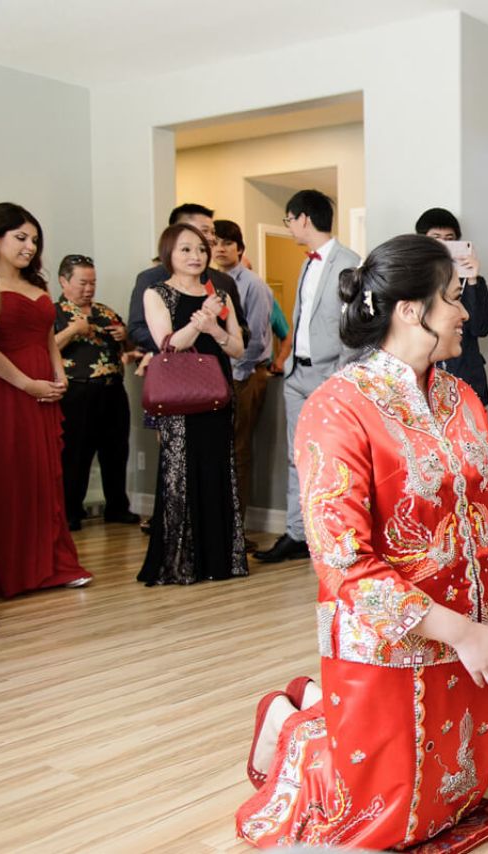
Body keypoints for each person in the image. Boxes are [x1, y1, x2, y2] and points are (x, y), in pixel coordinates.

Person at [235, 234, 488, 850]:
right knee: (383, 821)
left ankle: (317, 708)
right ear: (409, 310)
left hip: (473, 647)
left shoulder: (463, 397)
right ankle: (295, 725)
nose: (464, 312)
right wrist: (461, 631)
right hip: (395, 644)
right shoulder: (337, 409)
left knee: (455, 800)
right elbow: (345, 563)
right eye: (454, 298)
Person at [138, 223, 248, 585]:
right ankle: (180, 562)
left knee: (218, 469)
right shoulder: (156, 293)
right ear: (169, 252)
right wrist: (199, 322)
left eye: (200, 249)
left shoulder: (220, 294)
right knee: (180, 473)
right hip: (178, 397)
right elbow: (168, 344)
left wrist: (214, 327)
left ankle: (221, 561)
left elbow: (237, 348)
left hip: (217, 393)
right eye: (186, 249)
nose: (195, 256)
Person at [255, 190, 360, 564]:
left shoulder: (348, 262)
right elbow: (300, 319)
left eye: (288, 220)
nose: (290, 228)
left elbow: (353, 325)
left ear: (302, 218)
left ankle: (332, 535)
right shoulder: (306, 264)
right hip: (296, 373)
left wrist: (341, 375)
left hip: (329, 373)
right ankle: (296, 533)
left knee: (331, 457)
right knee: (294, 457)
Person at [0, 202, 92, 596]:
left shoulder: (38, 286)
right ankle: (10, 570)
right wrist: (27, 384)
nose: (30, 247)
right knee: (10, 476)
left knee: (43, 476)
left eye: (34, 240)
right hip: (7, 391)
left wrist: (58, 371)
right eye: (21, 238)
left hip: (41, 392)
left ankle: (51, 565)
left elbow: (47, 336)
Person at [53, 254, 139, 530]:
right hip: (77, 392)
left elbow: (130, 352)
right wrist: (72, 330)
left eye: (93, 282)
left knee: (116, 451)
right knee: (75, 454)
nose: (89, 288)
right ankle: (70, 511)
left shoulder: (106, 312)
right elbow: (45, 350)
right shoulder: (54, 313)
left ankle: (117, 507)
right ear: (64, 281)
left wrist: (125, 337)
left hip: (113, 390)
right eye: (82, 282)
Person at [212, 219, 275, 528]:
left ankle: (236, 526)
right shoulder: (209, 283)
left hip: (246, 375)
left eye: (227, 243)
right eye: (215, 243)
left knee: (239, 451)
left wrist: (237, 371)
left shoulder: (252, 284)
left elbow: (259, 338)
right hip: (217, 378)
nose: (220, 248)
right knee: (218, 450)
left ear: (240, 248)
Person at [127, 203, 249, 355]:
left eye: (213, 232)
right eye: (204, 231)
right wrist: (166, 344)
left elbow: (241, 332)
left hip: (216, 368)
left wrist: (221, 333)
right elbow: (137, 330)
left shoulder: (223, 281)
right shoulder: (152, 282)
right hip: (173, 368)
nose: (211, 238)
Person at [415, 207, 488, 403]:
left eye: (450, 239)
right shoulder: (413, 282)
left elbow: (481, 328)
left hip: (467, 375)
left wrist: (472, 279)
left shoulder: (475, 281)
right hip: (428, 375)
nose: (444, 245)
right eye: (436, 238)